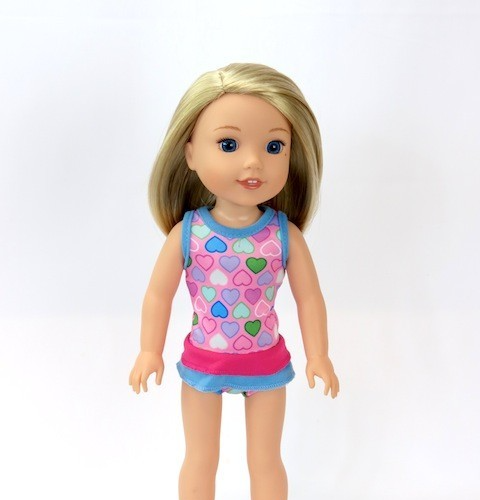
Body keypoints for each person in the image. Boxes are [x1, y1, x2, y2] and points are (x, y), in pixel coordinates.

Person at [129, 62, 340, 500]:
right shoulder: (188, 232)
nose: (253, 162)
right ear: (190, 154)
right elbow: (157, 295)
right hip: (204, 359)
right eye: (228, 144)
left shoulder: (283, 234)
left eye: (274, 146)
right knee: (200, 458)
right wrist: (149, 350)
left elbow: (310, 298)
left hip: (265, 360)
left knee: (265, 461)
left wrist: (318, 354)